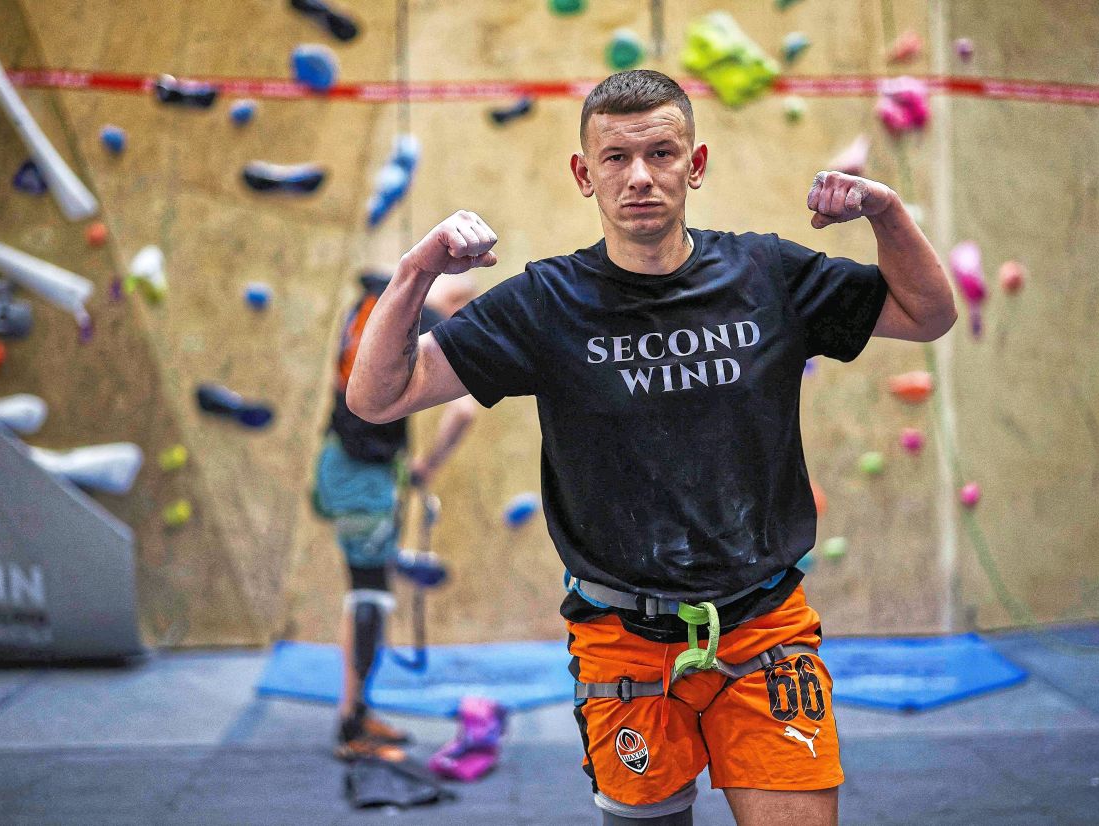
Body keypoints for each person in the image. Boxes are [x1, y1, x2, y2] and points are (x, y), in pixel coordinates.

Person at [346, 70, 956, 825]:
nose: (640, 177)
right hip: (625, 646)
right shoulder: (547, 303)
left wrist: (886, 212)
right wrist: (415, 273)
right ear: (584, 174)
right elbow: (376, 396)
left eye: (662, 154)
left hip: (765, 630)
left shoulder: (767, 274)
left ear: (694, 166)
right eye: (615, 158)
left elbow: (927, 314)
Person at [316, 268, 478, 762]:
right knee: (370, 599)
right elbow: (465, 412)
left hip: (345, 463)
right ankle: (351, 728)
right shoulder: (424, 316)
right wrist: (428, 465)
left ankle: (356, 712)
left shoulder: (372, 304)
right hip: (362, 477)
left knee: (365, 595)